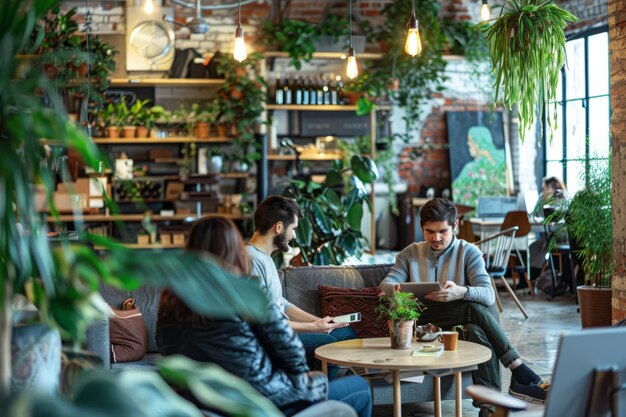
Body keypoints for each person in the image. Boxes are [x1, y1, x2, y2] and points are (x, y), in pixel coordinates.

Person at [156, 216, 372, 417]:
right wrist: (301, 380)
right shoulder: (247, 290)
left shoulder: (171, 301)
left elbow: (168, 353)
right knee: (360, 388)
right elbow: (289, 348)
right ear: (233, 250)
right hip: (264, 401)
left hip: (204, 405)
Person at [380, 198, 549, 417]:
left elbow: (488, 295)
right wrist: (400, 289)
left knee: (477, 326)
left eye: (442, 231)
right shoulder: (409, 253)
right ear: (422, 228)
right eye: (429, 231)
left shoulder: (469, 252)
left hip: (458, 325)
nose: (436, 238)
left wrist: (461, 292)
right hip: (422, 323)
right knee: (473, 309)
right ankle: (518, 368)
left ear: (455, 225)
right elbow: (385, 285)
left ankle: (488, 409)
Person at [246, 195, 357, 373]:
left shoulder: (265, 258)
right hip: (270, 339)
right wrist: (313, 328)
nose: (295, 235)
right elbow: (262, 320)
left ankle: (324, 387)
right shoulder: (251, 260)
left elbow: (280, 303)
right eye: (294, 228)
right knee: (328, 346)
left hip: (281, 331)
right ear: (279, 227)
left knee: (346, 334)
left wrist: (319, 322)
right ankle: (317, 397)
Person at [452, 126, 507, 209]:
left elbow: (456, 193)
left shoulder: (470, 168)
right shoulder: (504, 155)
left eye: (470, 141)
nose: (468, 144)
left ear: (478, 142)